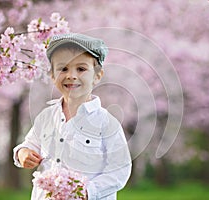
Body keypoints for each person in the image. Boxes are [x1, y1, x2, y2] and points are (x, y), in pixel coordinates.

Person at [13, 33, 132, 200]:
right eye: (63, 69)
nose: (71, 75)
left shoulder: (106, 123)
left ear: (97, 75)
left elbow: (120, 169)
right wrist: (23, 153)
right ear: (53, 75)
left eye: (81, 69)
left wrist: (88, 191)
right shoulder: (46, 117)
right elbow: (31, 143)